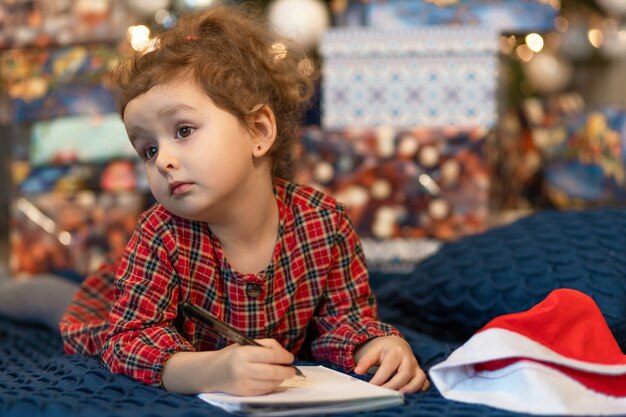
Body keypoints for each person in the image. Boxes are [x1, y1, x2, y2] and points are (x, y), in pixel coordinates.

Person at [60, 6, 430, 396]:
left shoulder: (325, 223)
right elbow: (128, 340)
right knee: (74, 315)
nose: (164, 160)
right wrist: (211, 370)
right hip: (117, 303)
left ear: (259, 131)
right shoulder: (160, 233)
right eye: (148, 149)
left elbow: (343, 319)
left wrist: (378, 345)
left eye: (183, 130)